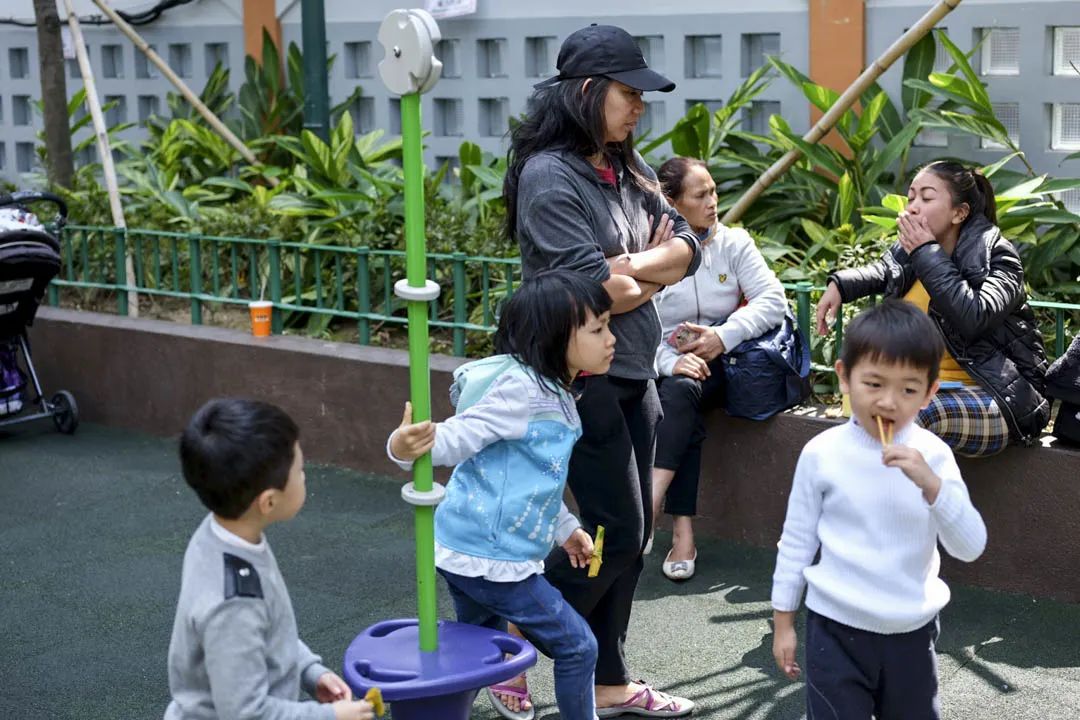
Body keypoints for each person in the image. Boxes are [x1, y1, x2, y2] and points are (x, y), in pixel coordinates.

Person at [503, 22, 700, 718]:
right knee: (618, 526)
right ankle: (507, 639)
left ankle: (610, 681)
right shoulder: (548, 175)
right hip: (579, 376)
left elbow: (687, 248)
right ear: (587, 92)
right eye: (628, 93)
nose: (639, 106)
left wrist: (632, 273)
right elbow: (596, 289)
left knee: (631, 538)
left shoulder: (629, 169)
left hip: (636, 366)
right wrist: (639, 276)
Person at [388, 271, 612, 720]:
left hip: (467, 547)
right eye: (598, 328)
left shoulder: (558, 390)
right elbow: (456, 438)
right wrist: (402, 446)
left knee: (477, 654)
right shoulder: (522, 390)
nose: (611, 338)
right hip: (493, 562)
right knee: (578, 646)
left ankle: (437, 712)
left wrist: (565, 528)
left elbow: (534, 479)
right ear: (553, 338)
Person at [771, 300, 987, 719]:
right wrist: (783, 621)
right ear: (844, 378)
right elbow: (796, 540)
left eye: (908, 389)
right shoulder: (821, 453)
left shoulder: (934, 456)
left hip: (911, 632)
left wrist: (932, 486)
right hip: (833, 627)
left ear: (930, 393)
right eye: (874, 384)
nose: (889, 402)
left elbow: (971, 546)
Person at [816, 160, 1050, 456]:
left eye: (927, 198)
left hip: (998, 397)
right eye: (911, 197)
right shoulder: (913, 251)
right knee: (868, 414)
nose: (913, 206)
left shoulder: (997, 255)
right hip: (927, 390)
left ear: (959, 213)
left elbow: (974, 316)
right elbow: (885, 271)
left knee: (907, 416)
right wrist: (840, 285)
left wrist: (927, 253)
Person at [166, 398, 374, 720]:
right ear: (268, 502)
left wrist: (308, 670)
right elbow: (246, 714)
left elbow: (270, 633)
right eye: (299, 471)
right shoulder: (234, 604)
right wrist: (331, 716)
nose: (304, 477)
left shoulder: (217, 533)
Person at [648, 157, 787, 580]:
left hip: (729, 368)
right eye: (700, 194)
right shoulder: (649, 249)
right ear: (671, 203)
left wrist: (721, 337)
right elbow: (635, 324)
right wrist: (672, 361)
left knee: (680, 399)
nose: (713, 202)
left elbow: (772, 300)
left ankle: (647, 504)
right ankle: (682, 533)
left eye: (713, 191)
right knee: (680, 394)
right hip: (669, 371)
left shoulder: (734, 243)